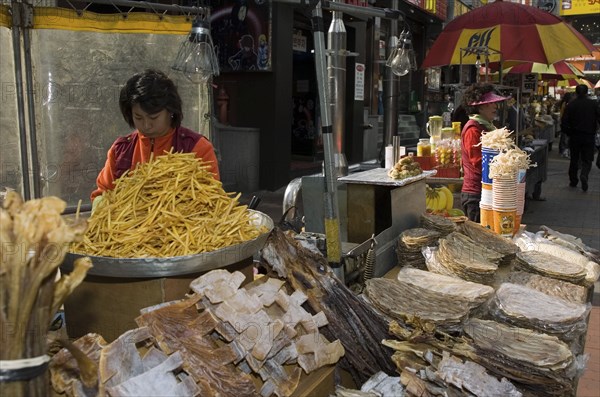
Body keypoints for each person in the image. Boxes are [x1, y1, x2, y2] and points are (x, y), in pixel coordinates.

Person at [91, 69, 220, 205]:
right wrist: (101, 205)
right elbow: (102, 193)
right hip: (130, 226)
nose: (147, 125)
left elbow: (212, 201)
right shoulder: (121, 151)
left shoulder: (196, 148)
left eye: (154, 117)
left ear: (170, 111)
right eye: (138, 117)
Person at [460, 83, 508, 222]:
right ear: (480, 106)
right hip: (475, 194)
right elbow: (479, 162)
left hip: (487, 190)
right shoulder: (473, 129)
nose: (495, 106)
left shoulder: (486, 127)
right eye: (491, 103)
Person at [561, 84, 600, 192]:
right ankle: (584, 174)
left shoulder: (571, 105)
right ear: (587, 92)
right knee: (587, 159)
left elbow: (564, 122)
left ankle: (573, 180)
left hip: (575, 136)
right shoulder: (593, 104)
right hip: (589, 136)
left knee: (574, 159)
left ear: (576, 93)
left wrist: (568, 132)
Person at [558, 92, 573, 158]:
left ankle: (562, 150)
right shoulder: (566, 104)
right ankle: (563, 150)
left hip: (563, 121)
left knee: (563, 137)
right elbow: (563, 113)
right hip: (565, 122)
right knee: (564, 137)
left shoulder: (564, 103)